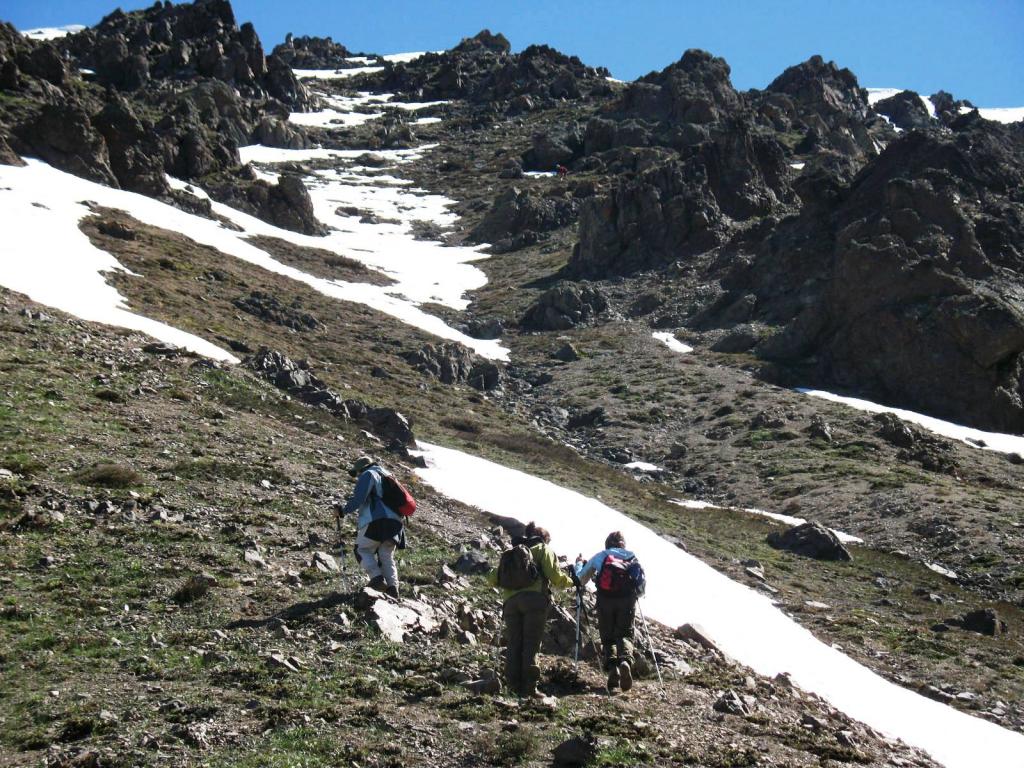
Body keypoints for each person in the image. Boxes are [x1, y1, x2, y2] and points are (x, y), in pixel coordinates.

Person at [487, 522, 573, 698]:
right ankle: (529, 688)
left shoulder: (511, 553)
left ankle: (512, 686)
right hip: (534, 601)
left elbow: (493, 578)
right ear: (544, 538)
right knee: (531, 644)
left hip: (510, 603)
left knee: (514, 644)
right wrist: (572, 581)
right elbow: (555, 577)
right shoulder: (542, 549)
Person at [575, 531, 640, 693]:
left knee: (607, 636)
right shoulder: (632, 557)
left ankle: (613, 669)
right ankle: (625, 661)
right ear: (623, 543)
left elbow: (581, 578)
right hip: (627, 600)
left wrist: (578, 565)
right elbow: (640, 583)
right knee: (625, 634)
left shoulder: (601, 556)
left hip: (605, 600)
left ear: (607, 544)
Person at [337, 456, 405, 598]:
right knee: (386, 555)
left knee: (361, 549)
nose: (357, 477)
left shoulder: (369, 474)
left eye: (357, 473)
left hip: (377, 520)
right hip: (397, 523)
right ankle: (393, 589)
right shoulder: (387, 474)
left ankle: (376, 579)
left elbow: (359, 498)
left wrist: (343, 511)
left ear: (361, 469)